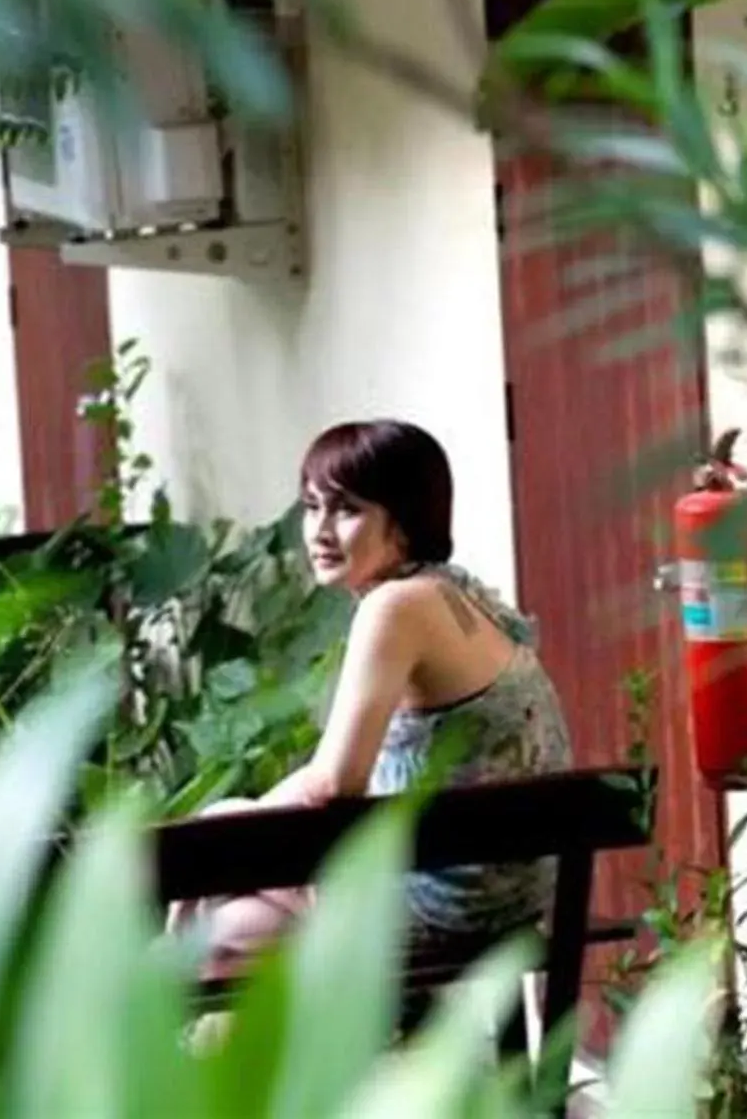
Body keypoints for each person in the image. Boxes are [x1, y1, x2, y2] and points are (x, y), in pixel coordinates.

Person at [169, 418, 573, 979]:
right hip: (501, 893)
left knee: (212, 910)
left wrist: (230, 826)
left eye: (347, 509)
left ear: (404, 524)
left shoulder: (396, 608)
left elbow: (336, 782)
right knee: (234, 929)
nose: (319, 531)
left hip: (447, 902)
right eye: (311, 507)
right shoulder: (450, 591)